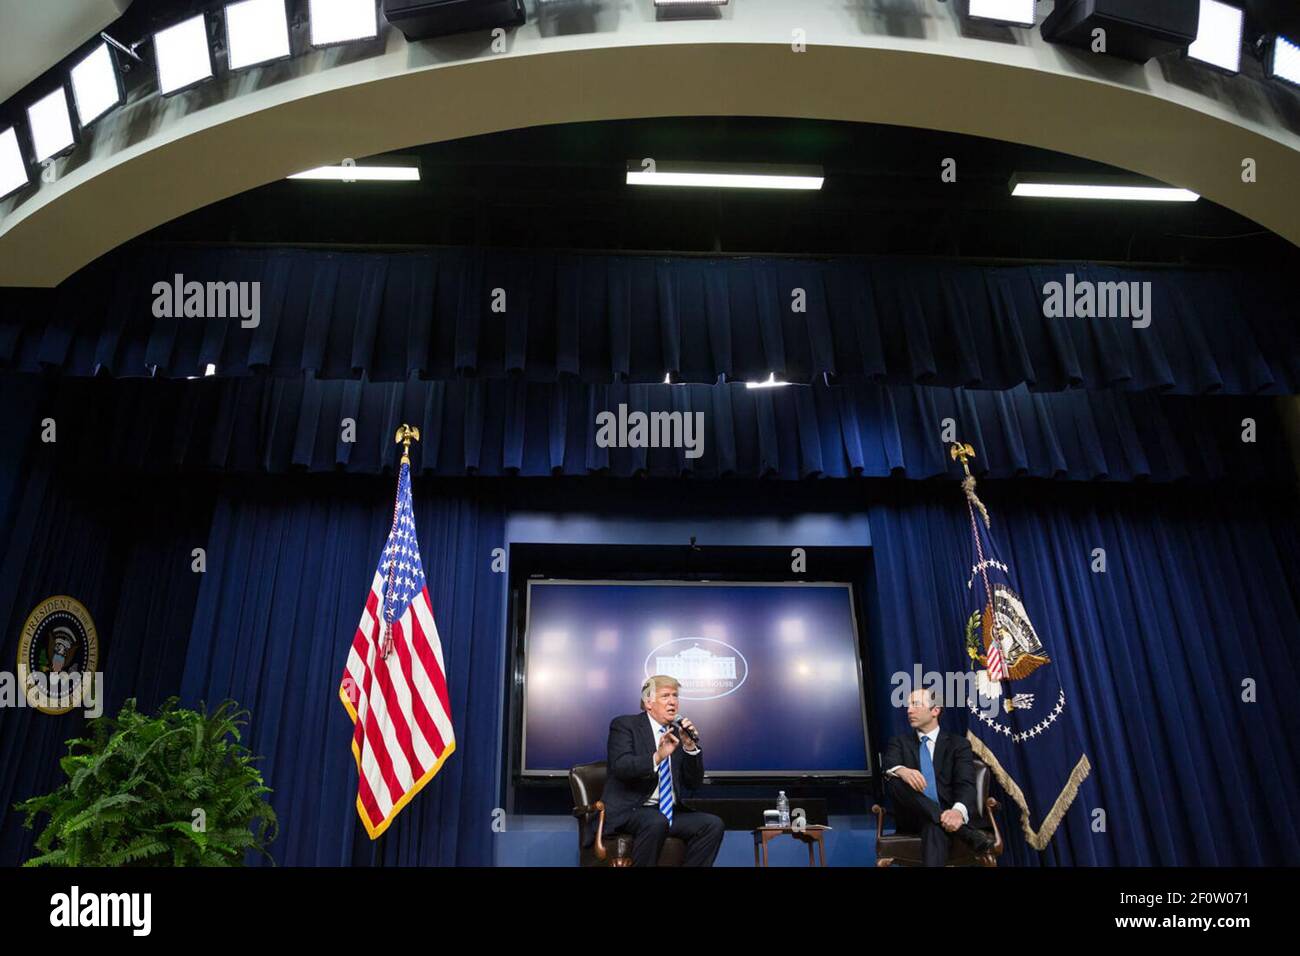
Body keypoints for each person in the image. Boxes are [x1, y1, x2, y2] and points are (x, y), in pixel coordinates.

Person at [602, 674, 724, 867]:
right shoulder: (625, 725)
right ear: (648, 702)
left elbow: (693, 783)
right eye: (665, 696)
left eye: (675, 696)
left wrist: (690, 747)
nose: (672, 701)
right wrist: (658, 756)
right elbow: (621, 766)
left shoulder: (678, 734)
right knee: (655, 821)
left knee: (712, 824)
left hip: (667, 812)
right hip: (632, 810)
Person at [882, 687, 996, 866]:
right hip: (913, 817)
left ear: (935, 710)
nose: (909, 710)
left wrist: (957, 812)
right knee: (895, 780)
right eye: (908, 705)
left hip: (947, 814)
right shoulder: (899, 742)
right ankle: (965, 832)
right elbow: (888, 765)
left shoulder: (959, 744)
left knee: (934, 826)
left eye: (916, 704)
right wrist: (902, 771)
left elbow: (965, 784)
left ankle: (943, 817)